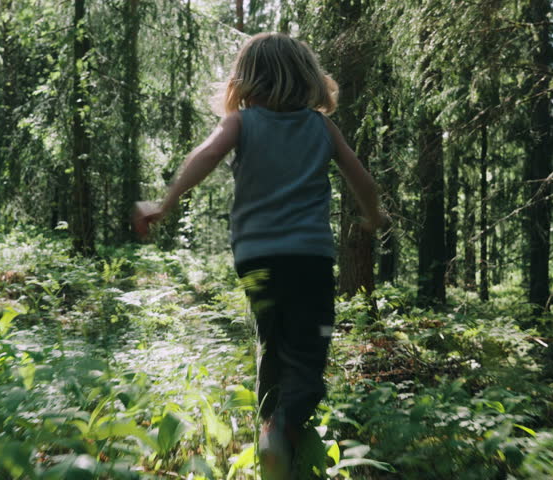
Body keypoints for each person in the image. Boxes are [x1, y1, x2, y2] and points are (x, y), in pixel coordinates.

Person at [137, 32, 390, 479]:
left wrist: (165, 202)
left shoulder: (241, 123)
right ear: (306, 77)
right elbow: (363, 181)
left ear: (246, 79)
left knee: (272, 339)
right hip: (309, 260)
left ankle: (270, 433)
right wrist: (373, 217)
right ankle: (282, 428)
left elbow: (205, 156)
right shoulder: (320, 127)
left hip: (256, 260)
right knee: (308, 350)